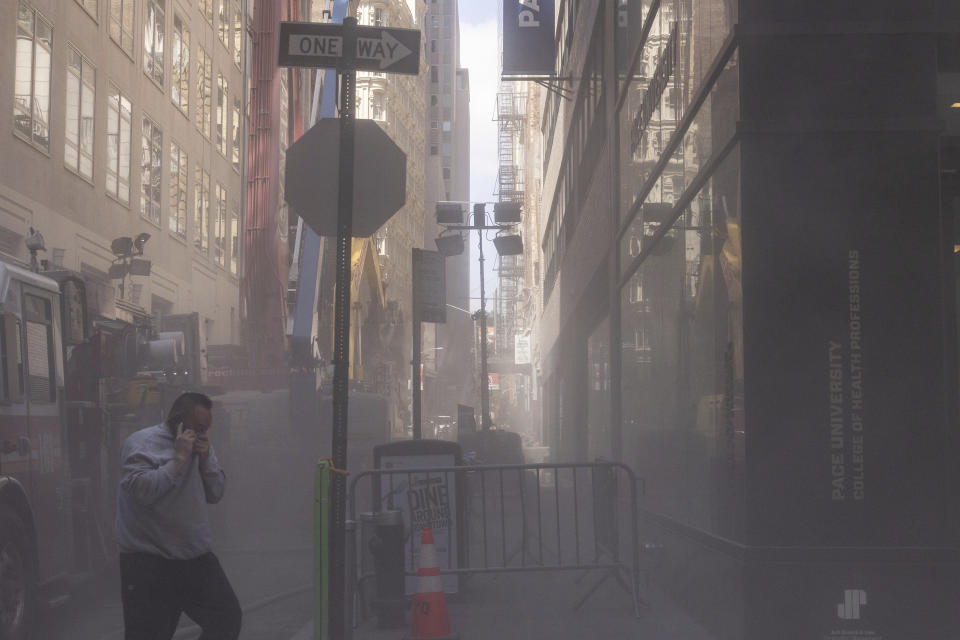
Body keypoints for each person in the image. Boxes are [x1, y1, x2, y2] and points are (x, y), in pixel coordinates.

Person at [116, 392, 242, 640]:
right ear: (179, 422)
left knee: (226, 618)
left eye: (207, 429)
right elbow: (141, 491)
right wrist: (179, 459)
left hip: (193, 557)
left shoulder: (203, 446)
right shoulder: (142, 443)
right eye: (198, 428)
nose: (203, 435)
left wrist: (205, 460)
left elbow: (216, 492)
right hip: (149, 562)